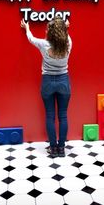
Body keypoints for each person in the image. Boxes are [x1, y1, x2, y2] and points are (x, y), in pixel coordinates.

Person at [21, 16, 72, 158]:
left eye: (48, 28)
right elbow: (65, 35)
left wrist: (27, 28)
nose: (45, 30)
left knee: (50, 116)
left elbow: (30, 38)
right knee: (63, 116)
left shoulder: (43, 44)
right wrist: (66, 27)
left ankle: (53, 148)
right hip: (64, 81)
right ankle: (61, 149)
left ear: (50, 32)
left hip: (48, 82)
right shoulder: (68, 43)